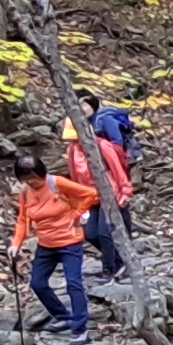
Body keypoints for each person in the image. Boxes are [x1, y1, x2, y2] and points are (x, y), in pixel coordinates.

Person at [4, 151, 99, 336]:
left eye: (34, 178)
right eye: (26, 179)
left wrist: (76, 213)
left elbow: (91, 194)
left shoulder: (56, 183)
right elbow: (23, 220)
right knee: (37, 283)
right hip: (46, 244)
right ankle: (62, 316)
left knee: (73, 283)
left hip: (70, 242)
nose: (31, 182)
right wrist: (16, 244)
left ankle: (80, 326)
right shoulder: (26, 193)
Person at [54, 110, 135, 277]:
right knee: (90, 233)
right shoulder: (73, 150)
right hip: (91, 197)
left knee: (105, 233)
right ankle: (119, 258)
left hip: (110, 193)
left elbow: (118, 169)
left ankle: (110, 268)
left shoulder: (102, 145)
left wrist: (125, 191)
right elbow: (76, 177)